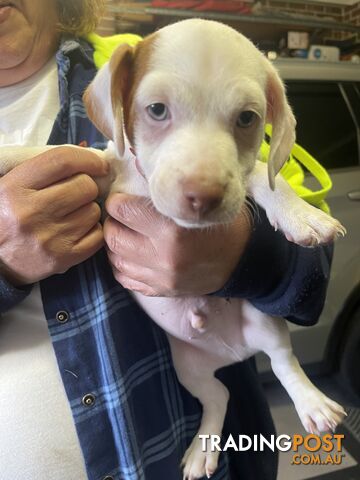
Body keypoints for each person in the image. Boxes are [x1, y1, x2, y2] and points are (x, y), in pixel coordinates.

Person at [0, 1, 333, 479]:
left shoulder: (153, 59)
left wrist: (245, 254)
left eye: (244, 120)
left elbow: (313, 269)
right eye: (156, 110)